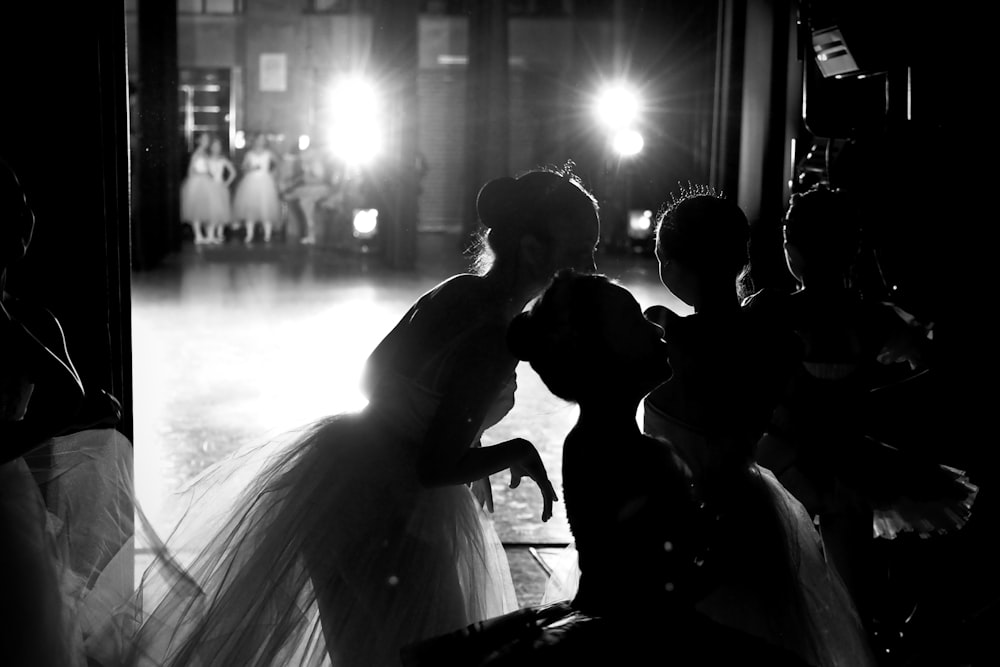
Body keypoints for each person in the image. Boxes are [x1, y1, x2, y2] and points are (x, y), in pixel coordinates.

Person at [120, 164, 601, 667]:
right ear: (531, 250)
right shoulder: (496, 335)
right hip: (396, 516)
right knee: (426, 653)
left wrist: (442, 425)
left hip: (340, 476)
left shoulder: (456, 290)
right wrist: (515, 449)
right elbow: (433, 467)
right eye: (578, 251)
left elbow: (371, 376)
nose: (591, 263)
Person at [401, 271, 812, 666]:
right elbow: (668, 578)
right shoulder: (639, 456)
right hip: (635, 633)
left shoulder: (587, 442)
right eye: (635, 323)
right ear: (605, 358)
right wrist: (730, 538)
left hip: (607, 616)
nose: (656, 328)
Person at [638, 184, 875, 666]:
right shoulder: (775, 339)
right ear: (740, 258)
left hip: (684, 519)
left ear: (674, 267)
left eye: (662, 255)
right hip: (754, 512)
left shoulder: (670, 342)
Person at [755, 185, 978, 636]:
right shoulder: (874, 317)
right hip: (851, 461)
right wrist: (871, 404)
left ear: (790, 252)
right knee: (850, 596)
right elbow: (937, 369)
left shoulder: (770, 311)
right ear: (854, 251)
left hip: (785, 460)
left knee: (783, 578)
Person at [233, 133, 281, 244]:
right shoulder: (249, 154)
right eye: (259, 139)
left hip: (265, 181)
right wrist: (250, 168)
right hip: (251, 181)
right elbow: (244, 167)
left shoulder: (269, 153)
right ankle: (250, 234)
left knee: (266, 207)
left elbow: (278, 164)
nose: (261, 141)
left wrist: (274, 174)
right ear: (255, 140)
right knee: (250, 208)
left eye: (263, 139)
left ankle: (267, 234)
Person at [178, 132, 214, 245]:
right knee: (196, 209)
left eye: (207, 139)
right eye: (204, 139)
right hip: (197, 183)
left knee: (204, 208)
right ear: (199, 140)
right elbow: (190, 171)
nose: (206, 142)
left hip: (205, 182)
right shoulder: (196, 154)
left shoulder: (205, 153)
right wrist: (200, 174)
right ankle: (198, 235)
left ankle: (205, 235)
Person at [205, 137, 237, 243]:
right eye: (214, 146)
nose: (216, 148)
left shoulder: (223, 160)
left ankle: (218, 234)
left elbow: (233, 173)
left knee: (221, 211)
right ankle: (210, 235)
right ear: (211, 147)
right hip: (209, 188)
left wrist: (226, 183)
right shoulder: (207, 159)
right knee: (211, 211)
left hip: (220, 187)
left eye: (218, 146)